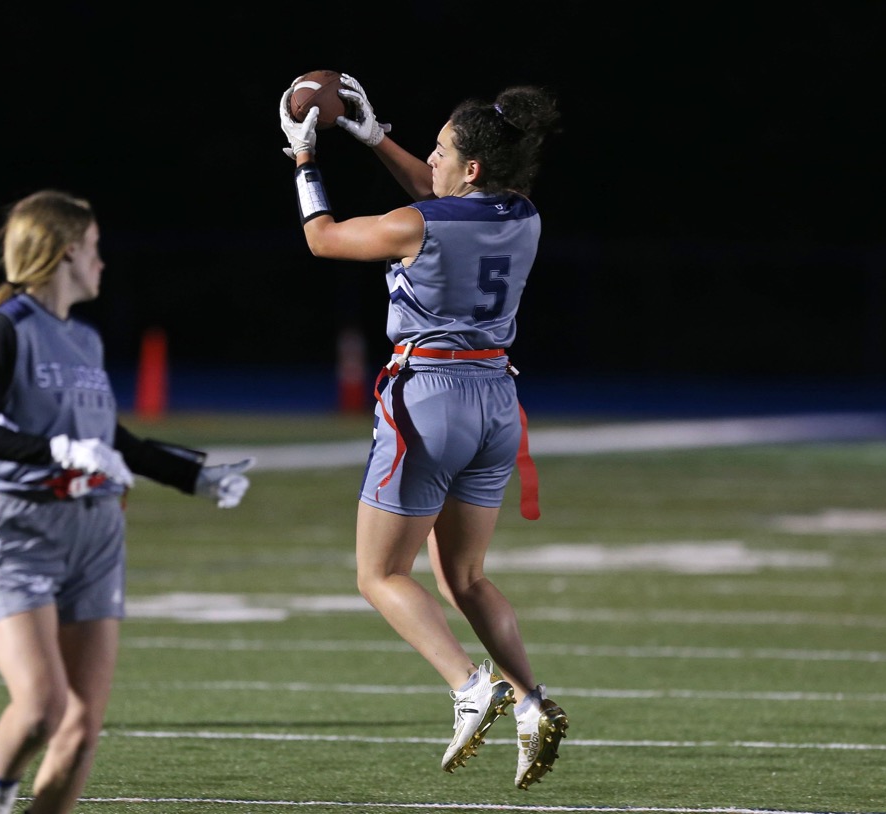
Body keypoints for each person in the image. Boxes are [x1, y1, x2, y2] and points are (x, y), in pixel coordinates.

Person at [0, 189, 254, 814]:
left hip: (95, 536)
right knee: (43, 707)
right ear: (67, 252)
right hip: (19, 531)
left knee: (82, 728)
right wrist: (57, 450)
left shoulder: (86, 342)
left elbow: (111, 440)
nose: (102, 261)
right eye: (94, 248)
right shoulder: (10, 326)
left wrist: (191, 476)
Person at [278, 74, 568, 790]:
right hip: (497, 400)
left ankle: (472, 686)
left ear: (470, 168)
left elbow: (324, 240)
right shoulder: (523, 215)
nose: (428, 161)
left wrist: (305, 161)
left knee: (379, 574)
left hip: (429, 400)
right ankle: (531, 704)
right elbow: (443, 194)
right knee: (463, 576)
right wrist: (374, 137)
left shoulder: (421, 224)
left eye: (439, 151)